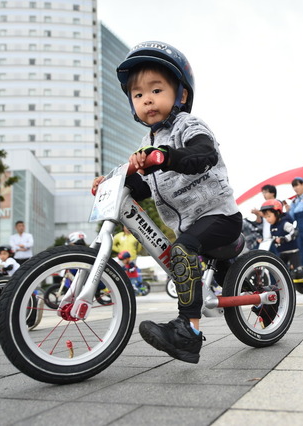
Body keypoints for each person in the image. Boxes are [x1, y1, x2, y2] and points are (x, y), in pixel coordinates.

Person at [92, 41, 241, 364]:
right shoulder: (146, 143)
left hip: (219, 215)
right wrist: (114, 182)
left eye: (156, 90)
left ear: (181, 95)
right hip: (188, 224)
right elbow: (145, 190)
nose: (147, 99)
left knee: (182, 251)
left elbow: (203, 155)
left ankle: (188, 333)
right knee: (182, 249)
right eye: (138, 94)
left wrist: (167, 156)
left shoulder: (189, 126)